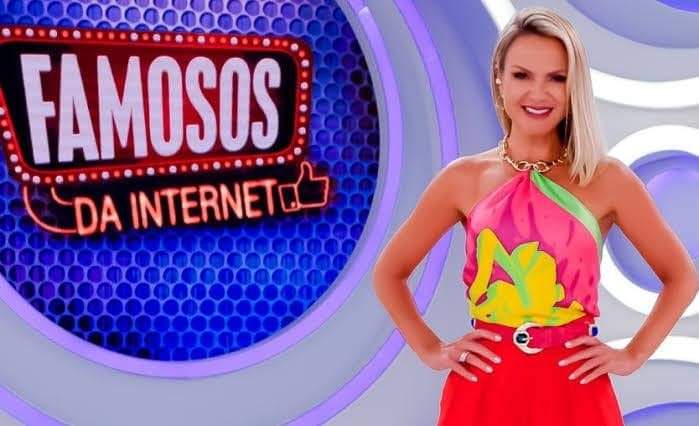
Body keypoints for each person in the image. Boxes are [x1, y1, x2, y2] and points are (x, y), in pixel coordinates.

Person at [372, 6, 699, 426]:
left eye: (556, 78)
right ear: (499, 78)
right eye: (522, 75)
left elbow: (681, 276)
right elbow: (389, 273)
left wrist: (632, 355)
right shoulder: (463, 178)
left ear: (573, 85)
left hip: (575, 386)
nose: (538, 93)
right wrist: (431, 349)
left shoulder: (607, 179)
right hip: (484, 386)